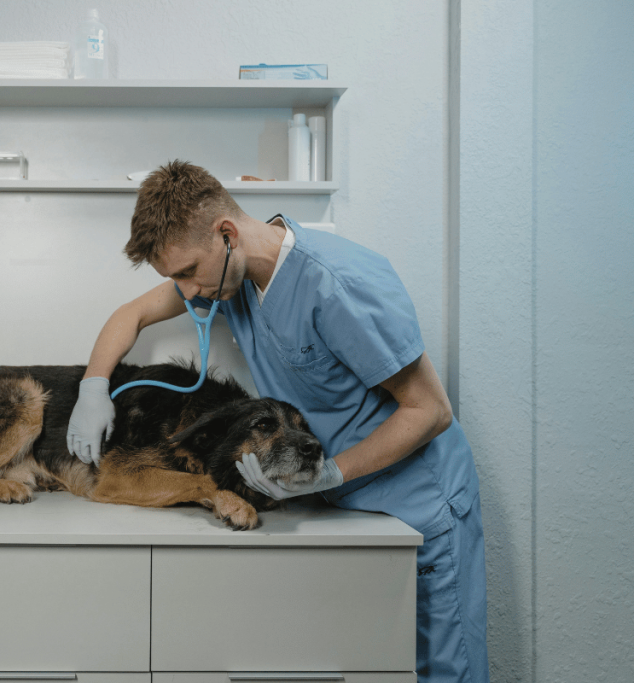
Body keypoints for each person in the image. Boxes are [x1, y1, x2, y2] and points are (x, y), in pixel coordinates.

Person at [66, 160, 489, 683]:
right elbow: (129, 315)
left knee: (438, 672)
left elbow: (431, 411)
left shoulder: (338, 284)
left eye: (186, 273)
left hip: (415, 504)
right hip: (341, 508)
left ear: (226, 235)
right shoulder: (228, 276)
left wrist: (330, 473)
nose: (188, 292)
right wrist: (93, 386)